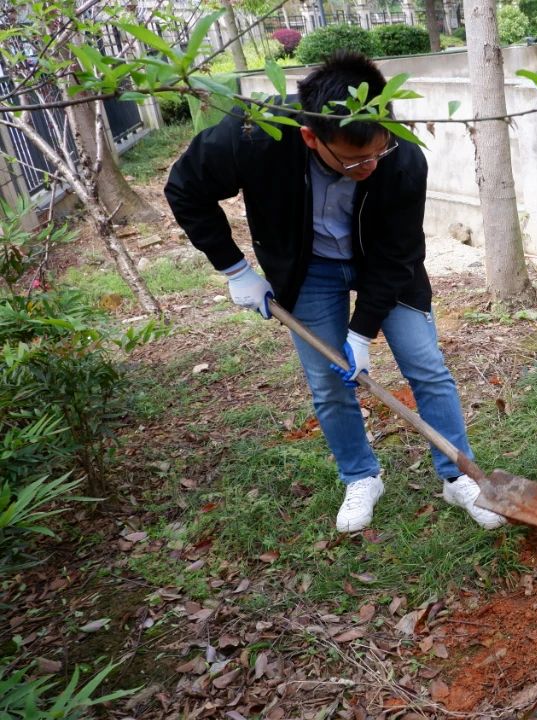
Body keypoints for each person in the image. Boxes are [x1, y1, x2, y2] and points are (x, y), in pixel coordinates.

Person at [165, 52, 504, 533]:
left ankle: (457, 476)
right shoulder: (254, 134)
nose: (368, 166)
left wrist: (362, 333)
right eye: (352, 159)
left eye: (375, 154)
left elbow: (395, 254)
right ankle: (362, 476)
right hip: (310, 270)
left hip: (383, 268)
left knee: (426, 366)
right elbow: (184, 189)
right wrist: (235, 268)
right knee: (328, 381)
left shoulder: (402, 158)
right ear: (311, 137)